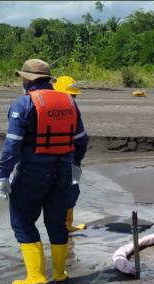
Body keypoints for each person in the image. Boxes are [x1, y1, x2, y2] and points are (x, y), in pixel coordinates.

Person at [0, 59, 88, 284]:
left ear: (27, 80)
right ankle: (59, 273)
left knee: (22, 221)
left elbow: (12, 145)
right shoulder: (69, 102)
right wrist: (75, 163)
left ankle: (35, 276)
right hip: (63, 171)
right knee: (56, 222)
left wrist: (2, 175)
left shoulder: (23, 104)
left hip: (32, 173)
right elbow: (81, 139)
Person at [53, 75, 88, 233]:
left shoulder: (43, 105)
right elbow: (80, 139)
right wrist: (78, 161)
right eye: (73, 95)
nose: (74, 98)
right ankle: (65, 227)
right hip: (68, 157)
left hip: (44, 157)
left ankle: (60, 226)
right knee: (71, 191)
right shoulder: (71, 108)